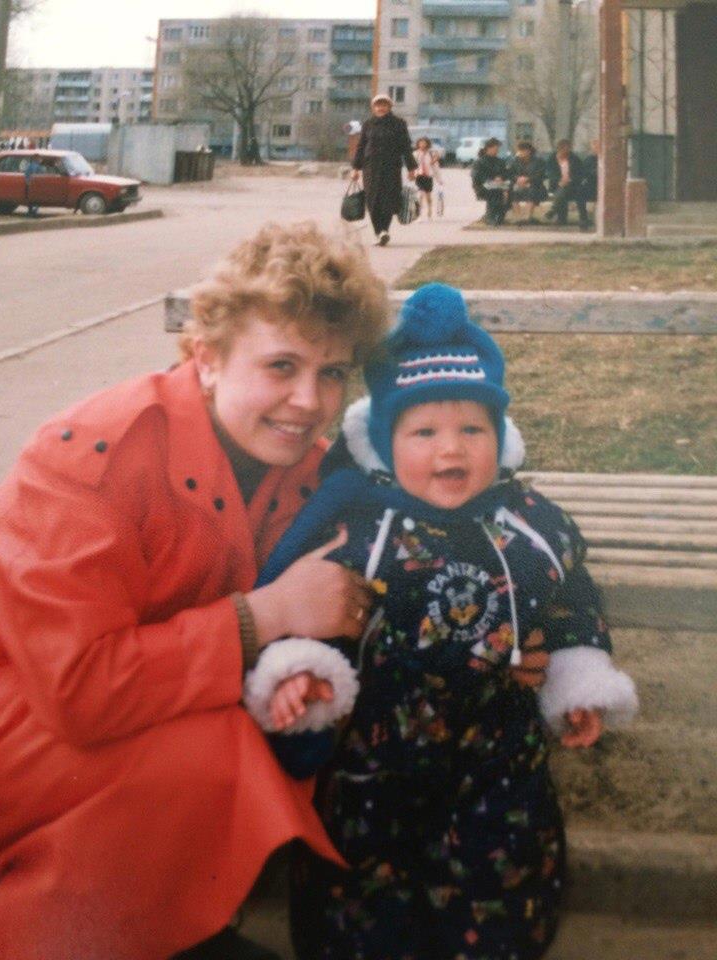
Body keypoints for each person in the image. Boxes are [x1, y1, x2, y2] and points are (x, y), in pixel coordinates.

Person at [0, 221, 389, 960]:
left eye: (333, 372)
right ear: (206, 359)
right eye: (281, 366)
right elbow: (77, 688)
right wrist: (264, 617)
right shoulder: (90, 456)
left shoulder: (309, 474)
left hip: (137, 745)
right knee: (218, 743)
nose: (309, 400)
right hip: (30, 732)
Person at [244, 283, 639, 960]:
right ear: (384, 442)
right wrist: (301, 672)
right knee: (361, 914)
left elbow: (571, 598)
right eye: (423, 432)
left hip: (499, 769)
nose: (450, 450)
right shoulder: (360, 530)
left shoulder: (531, 525)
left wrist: (577, 674)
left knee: (499, 906)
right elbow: (316, 608)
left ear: (501, 437)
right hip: (375, 772)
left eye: (472, 430)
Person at [351, 93, 417, 247]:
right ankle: (379, 232)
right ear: (373, 107)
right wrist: (355, 168)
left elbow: (406, 146)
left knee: (388, 201)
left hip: (391, 167)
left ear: (389, 107)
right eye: (378, 105)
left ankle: (384, 231)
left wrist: (411, 167)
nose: (380, 108)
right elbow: (361, 147)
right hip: (371, 168)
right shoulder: (368, 124)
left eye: (384, 105)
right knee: (372, 201)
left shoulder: (399, 124)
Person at [545, 139, 590, 231]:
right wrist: (559, 181)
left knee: (575, 192)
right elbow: (549, 173)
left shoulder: (575, 159)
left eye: (567, 149)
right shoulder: (552, 159)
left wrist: (570, 180)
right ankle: (581, 219)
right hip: (557, 185)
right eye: (563, 150)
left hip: (573, 185)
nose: (565, 152)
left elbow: (580, 174)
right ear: (558, 149)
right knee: (563, 189)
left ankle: (555, 211)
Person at [507, 140, 548, 225]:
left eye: (521, 150)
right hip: (519, 185)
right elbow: (509, 174)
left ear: (528, 151)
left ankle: (528, 217)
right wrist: (517, 179)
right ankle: (518, 217)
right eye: (519, 150)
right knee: (512, 192)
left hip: (535, 186)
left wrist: (528, 179)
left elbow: (541, 175)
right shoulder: (515, 161)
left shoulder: (538, 161)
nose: (519, 153)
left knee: (532, 191)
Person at [471, 137, 509, 226]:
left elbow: (506, 173)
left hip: (499, 184)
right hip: (482, 186)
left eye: (498, 149)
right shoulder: (480, 162)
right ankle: (490, 216)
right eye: (495, 149)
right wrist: (493, 180)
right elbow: (477, 176)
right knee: (496, 190)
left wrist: (501, 178)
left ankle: (500, 216)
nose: (497, 151)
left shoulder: (500, 161)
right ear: (488, 148)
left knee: (510, 189)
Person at [413, 136, 443, 221]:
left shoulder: (431, 154)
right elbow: (412, 166)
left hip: (428, 177)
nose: (422, 144)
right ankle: (419, 215)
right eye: (420, 143)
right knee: (420, 195)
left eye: (424, 143)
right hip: (419, 176)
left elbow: (435, 167)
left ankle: (429, 213)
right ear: (418, 144)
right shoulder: (415, 154)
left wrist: (439, 179)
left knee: (428, 197)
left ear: (427, 144)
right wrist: (412, 174)